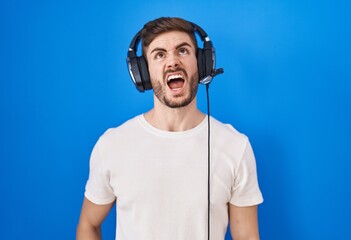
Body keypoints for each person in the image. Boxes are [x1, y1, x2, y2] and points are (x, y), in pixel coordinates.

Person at [76, 17, 263, 240]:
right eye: (160, 54)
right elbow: (88, 224)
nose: (172, 62)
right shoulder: (112, 145)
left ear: (202, 63)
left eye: (183, 51)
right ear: (143, 72)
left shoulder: (235, 146)